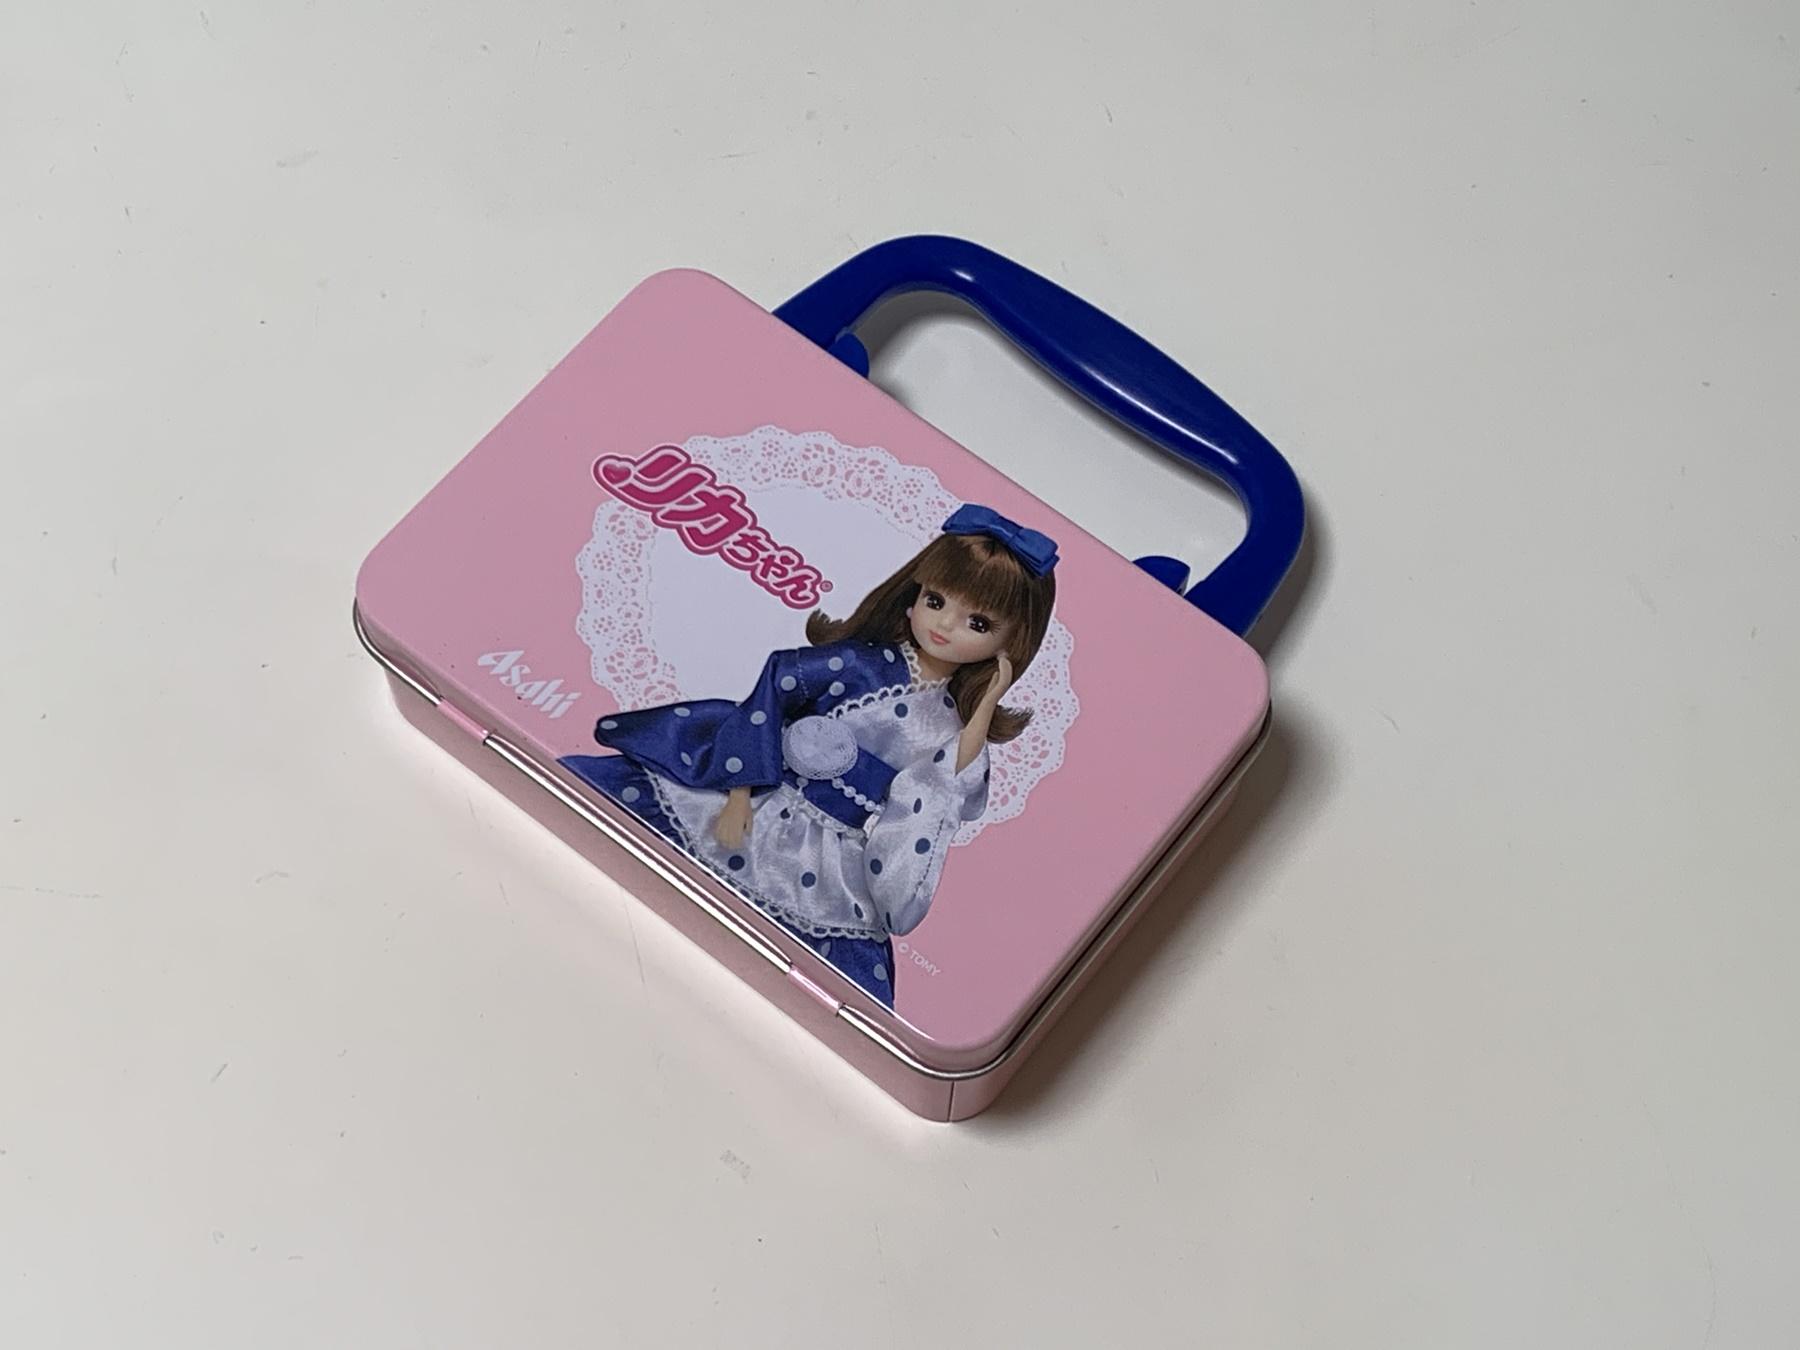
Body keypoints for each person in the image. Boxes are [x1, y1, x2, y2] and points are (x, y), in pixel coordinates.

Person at [560, 505, 1058, 1008]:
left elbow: (943, 786)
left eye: (977, 622)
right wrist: (739, 792)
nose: (945, 625)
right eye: (935, 600)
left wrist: (987, 703)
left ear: (1010, 641)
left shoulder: (949, 725)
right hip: (767, 798)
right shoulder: (860, 664)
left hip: (833, 854)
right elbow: (778, 683)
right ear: (914, 595)